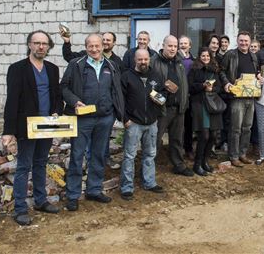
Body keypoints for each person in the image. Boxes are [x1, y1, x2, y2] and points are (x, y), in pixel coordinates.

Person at [2, 30, 63, 225]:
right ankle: (20, 208)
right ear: (29, 45)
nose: (41, 47)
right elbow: (11, 101)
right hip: (27, 127)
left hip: (45, 126)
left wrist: (56, 111)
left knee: (40, 163)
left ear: (49, 46)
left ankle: (40, 201)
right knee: (23, 166)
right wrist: (8, 131)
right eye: (36, 43)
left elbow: (56, 96)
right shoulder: (17, 69)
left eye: (44, 43)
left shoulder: (53, 69)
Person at [61, 33, 124, 211]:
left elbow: (116, 90)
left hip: (104, 118)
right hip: (83, 119)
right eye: (91, 46)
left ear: (103, 46)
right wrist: (74, 102)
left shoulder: (111, 66)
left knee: (98, 155)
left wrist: (116, 113)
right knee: (77, 156)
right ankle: (73, 195)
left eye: (98, 46)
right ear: (86, 47)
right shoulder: (76, 65)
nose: (95, 49)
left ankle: (94, 190)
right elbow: (63, 87)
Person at [120, 49, 165, 200]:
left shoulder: (156, 76)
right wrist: (125, 119)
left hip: (151, 122)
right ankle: (127, 187)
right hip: (133, 123)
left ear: (149, 59)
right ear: (135, 60)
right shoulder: (126, 76)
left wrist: (159, 99)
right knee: (129, 155)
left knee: (150, 155)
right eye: (140, 60)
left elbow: (163, 96)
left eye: (145, 59)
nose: (143, 62)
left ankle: (150, 182)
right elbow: (121, 100)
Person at [152, 35, 192, 176]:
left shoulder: (179, 62)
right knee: (156, 139)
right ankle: (150, 167)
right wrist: (160, 95)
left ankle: (179, 165)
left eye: (175, 46)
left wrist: (184, 102)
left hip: (178, 108)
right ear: (163, 45)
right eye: (170, 46)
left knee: (177, 139)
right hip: (161, 109)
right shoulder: (154, 62)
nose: (173, 49)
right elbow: (149, 87)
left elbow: (184, 83)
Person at [221, 31, 259, 167]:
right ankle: (234, 156)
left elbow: (256, 72)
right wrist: (226, 83)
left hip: (250, 96)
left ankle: (243, 153)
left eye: (246, 41)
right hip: (237, 96)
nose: (244, 43)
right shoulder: (230, 55)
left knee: (247, 127)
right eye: (241, 40)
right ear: (237, 41)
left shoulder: (253, 56)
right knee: (236, 128)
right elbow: (221, 71)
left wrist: (258, 78)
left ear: (250, 42)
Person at [188, 48, 223, 175]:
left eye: (207, 56)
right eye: (203, 56)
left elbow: (219, 87)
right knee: (204, 135)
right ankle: (197, 165)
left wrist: (212, 89)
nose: (206, 58)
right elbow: (190, 87)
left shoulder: (215, 69)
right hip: (199, 104)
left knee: (213, 135)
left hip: (212, 104)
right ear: (199, 57)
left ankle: (205, 162)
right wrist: (202, 86)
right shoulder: (194, 69)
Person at [179, 35, 196, 161]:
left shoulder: (194, 60)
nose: (183, 45)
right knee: (178, 126)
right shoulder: (175, 59)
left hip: (190, 97)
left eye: (185, 43)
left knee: (189, 125)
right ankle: (177, 150)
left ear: (190, 46)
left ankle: (189, 149)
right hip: (178, 97)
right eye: (181, 43)